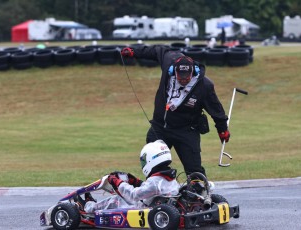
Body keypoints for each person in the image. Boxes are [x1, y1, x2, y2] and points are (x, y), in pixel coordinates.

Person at [120, 45, 230, 176]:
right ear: (174, 71)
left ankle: (199, 193)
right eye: (180, 76)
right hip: (159, 127)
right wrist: (134, 51)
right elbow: (157, 50)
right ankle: (159, 192)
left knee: (194, 170)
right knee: (154, 166)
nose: (183, 80)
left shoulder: (204, 86)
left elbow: (216, 110)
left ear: (193, 72)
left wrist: (222, 129)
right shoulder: (169, 63)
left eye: (187, 77)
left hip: (186, 130)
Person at [77, 140, 180, 213]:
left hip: (145, 209)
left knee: (116, 200)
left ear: (151, 159)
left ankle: (87, 208)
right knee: (120, 198)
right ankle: (91, 206)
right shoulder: (168, 178)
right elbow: (152, 190)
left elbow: (133, 195)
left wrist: (118, 182)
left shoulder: (155, 182)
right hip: (156, 206)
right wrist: (137, 182)